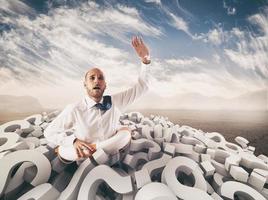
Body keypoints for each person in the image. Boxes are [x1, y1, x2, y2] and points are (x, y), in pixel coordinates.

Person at [44, 36, 151, 163]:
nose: (96, 81)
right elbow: (50, 132)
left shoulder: (115, 102)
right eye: (92, 78)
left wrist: (145, 60)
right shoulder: (75, 109)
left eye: (100, 78)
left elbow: (142, 87)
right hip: (85, 164)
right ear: (85, 84)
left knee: (125, 136)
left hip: (114, 161)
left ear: (105, 85)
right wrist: (73, 141)